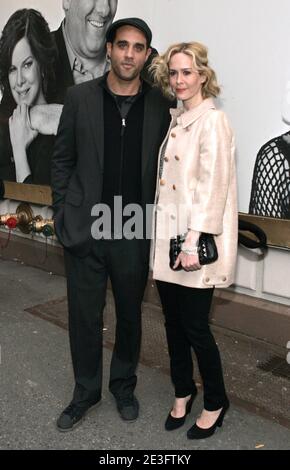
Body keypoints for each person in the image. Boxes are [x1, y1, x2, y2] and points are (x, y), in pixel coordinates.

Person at [51, 18, 172, 432]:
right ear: (109, 48)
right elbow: (62, 160)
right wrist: (63, 214)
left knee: (129, 317)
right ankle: (85, 391)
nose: (129, 54)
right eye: (123, 45)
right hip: (86, 228)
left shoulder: (159, 104)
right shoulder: (79, 97)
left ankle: (123, 386)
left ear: (146, 55)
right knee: (84, 316)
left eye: (139, 48)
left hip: (134, 230)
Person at [150, 42, 237, 439]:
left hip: (193, 246)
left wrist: (191, 242)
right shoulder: (179, 118)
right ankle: (183, 392)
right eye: (174, 73)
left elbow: (213, 187)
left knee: (196, 328)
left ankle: (216, 401)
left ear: (203, 75)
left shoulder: (212, 121)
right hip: (169, 239)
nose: (180, 80)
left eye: (187, 72)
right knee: (173, 325)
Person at [0, 9, 58, 184]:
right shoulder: (2, 134)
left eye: (27, 65)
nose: (19, 81)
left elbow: (37, 210)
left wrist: (19, 151)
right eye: (12, 69)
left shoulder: (60, 134)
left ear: (41, 64)